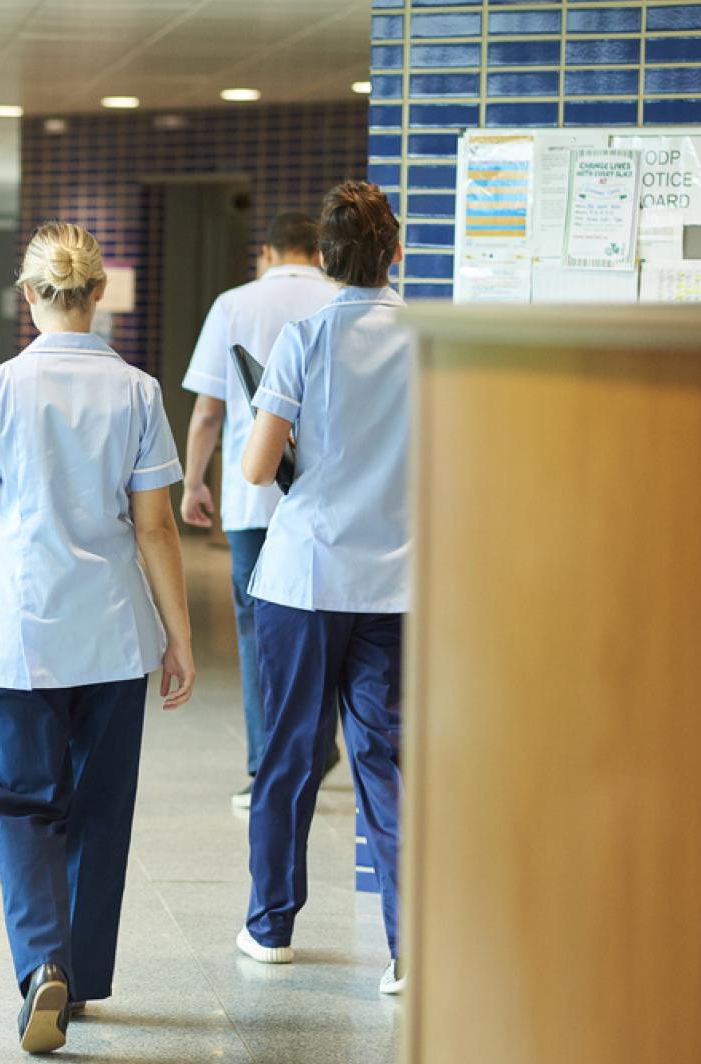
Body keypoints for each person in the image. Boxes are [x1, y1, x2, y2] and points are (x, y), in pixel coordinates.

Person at [0, 223, 197, 1055]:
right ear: (99, 297)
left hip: (18, 624)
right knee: (98, 809)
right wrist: (179, 635)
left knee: (21, 803)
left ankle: (41, 964)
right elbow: (156, 526)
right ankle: (79, 978)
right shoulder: (138, 391)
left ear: (30, 298)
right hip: (115, 632)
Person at [233, 181, 411, 997]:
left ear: (329, 259)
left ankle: (271, 927)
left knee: (289, 757)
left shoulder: (305, 338)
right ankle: (409, 949)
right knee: (388, 761)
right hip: (396, 583)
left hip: (303, 583)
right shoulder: (429, 341)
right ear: (395, 252)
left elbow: (258, 467)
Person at [180, 212, 341, 809]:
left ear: (267, 252)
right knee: (324, 621)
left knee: (257, 629)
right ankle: (318, 743)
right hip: (326, 496)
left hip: (252, 497)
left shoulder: (234, 304)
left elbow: (207, 411)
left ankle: (263, 763)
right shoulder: (341, 298)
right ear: (317, 252)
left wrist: (195, 482)